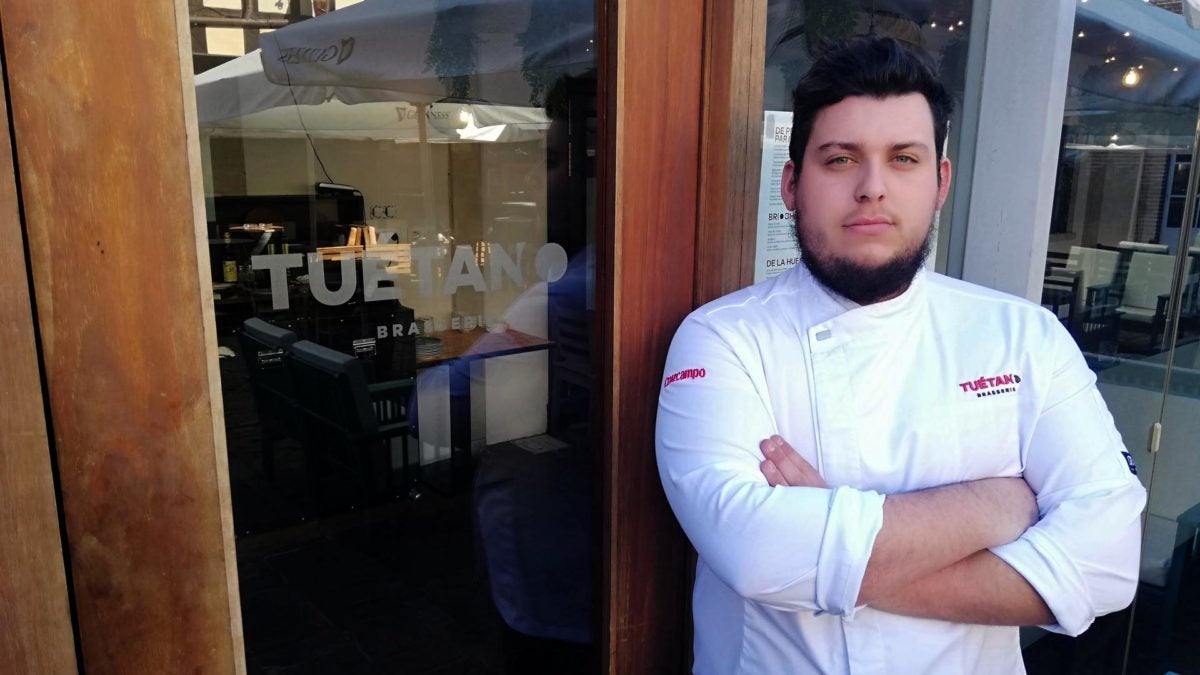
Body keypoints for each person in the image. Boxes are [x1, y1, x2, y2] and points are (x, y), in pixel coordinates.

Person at [655, 36, 1146, 674]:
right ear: (791, 184)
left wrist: (830, 546)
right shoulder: (722, 339)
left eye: (904, 158)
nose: (872, 189)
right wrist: (994, 506)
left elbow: (1105, 564)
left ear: (940, 182)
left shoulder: (1025, 337)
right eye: (839, 160)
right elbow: (756, 553)